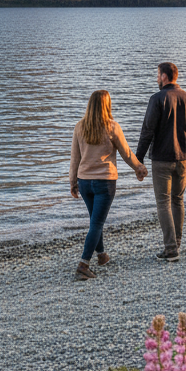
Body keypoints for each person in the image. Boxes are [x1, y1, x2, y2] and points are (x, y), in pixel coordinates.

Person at [69, 89, 147, 281]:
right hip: (105, 181)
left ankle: (102, 255)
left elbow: (74, 159)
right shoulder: (112, 127)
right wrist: (139, 168)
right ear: (107, 105)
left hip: (85, 181)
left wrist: (72, 181)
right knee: (97, 222)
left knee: (95, 220)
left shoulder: (79, 127)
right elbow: (126, 152)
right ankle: (83, 264)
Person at [136, 62, 186, 262]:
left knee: (163, 202)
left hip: (162, 158)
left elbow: (148, 130)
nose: (156, 78)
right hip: (184, 158)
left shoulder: (157, 99)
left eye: (157, 74)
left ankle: (171, 249)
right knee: (177, 200)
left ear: (164, 76)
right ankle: (176, 244)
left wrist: (138, 159)